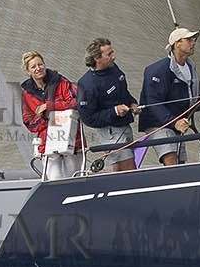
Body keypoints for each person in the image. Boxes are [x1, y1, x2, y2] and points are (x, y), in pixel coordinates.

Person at [138, 27, 200, 166]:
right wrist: (174, 122)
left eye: (193, 39)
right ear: (177, 43)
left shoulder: (190, 67)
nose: (193, 42)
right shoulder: (157, 70)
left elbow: (190, 98)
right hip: (159, 125)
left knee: (181, 162)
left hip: (178, 124)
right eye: (189, 39)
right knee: (171, 160)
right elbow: (153, 102)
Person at [77, 37, 138, 173]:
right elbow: (88, 118)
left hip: (124, 125)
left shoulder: (113, 68)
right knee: (129, 169)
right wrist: (114, 111)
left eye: (112, 52)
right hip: (110, 131)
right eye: (109, 54)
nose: (114, 57)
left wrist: (132, 103)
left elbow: (123, 91)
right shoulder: (86, 84)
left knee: (119, 169)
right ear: (97, 58)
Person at [19, 51, 83, 180]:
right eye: (33, 67)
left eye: (40, 64)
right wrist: (46, 118)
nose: (38, 68)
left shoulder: (61, 82)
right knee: (54, 181)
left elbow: (77, 102)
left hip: (71, 141)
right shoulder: (27, 94)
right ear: (28, 72)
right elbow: (29, 122)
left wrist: (50, 107)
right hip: (48, 145)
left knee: (75, 180)